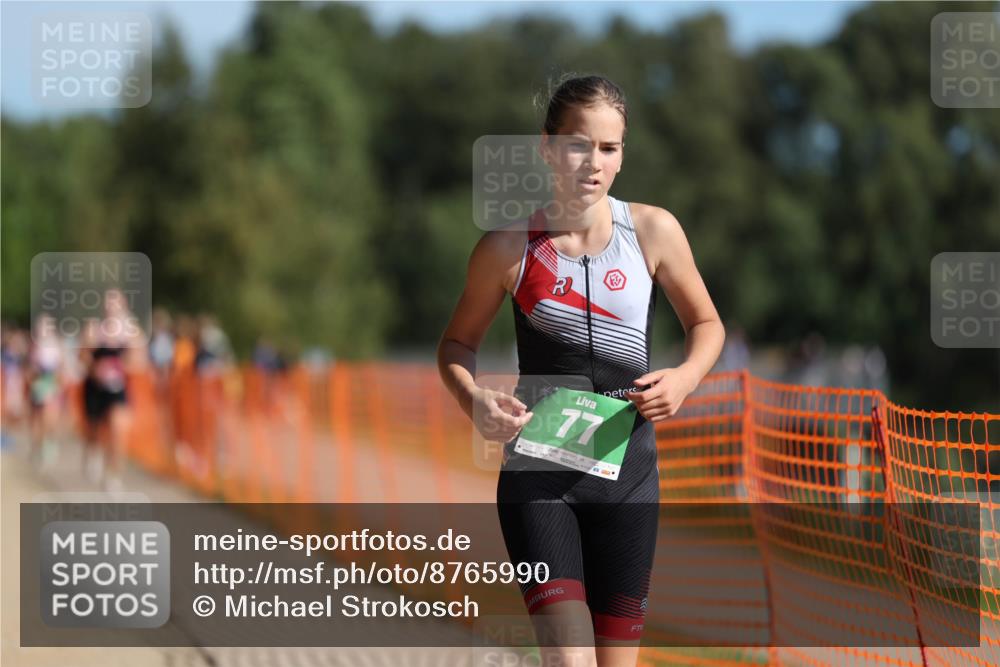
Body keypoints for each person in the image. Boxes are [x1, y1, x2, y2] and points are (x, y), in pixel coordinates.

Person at [437, 75, 725, 667]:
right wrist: (474, 401)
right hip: (539, 477)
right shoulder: (507, 248)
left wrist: (685, 378)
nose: (593, 162)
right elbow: (455, 345)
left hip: (631, 481)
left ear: (623, 154)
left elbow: (708, 325)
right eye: (577, 144)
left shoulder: (653, 231)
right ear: (547, 147)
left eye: (609, 147)